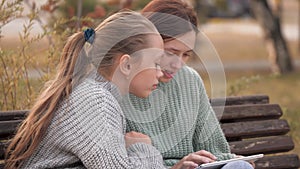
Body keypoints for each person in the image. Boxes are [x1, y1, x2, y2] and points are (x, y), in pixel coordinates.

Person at [5, 11, 171, 169]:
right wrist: (143, 148)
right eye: (155, 63)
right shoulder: (95, 101)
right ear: (126, 65)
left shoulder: (93, 93)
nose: (160, 72)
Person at [121, 1, 254, 169]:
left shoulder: (190, 80)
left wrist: (232, 160)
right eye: (171, 52)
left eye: (186, 55)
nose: (178, 64)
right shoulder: (119, 87)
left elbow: (215, 150)